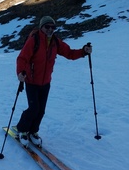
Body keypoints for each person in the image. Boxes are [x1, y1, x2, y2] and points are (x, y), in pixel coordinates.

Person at [16, 15, 92, 147]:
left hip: (45, 82)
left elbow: (69, 53)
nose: (50, 29)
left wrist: (83, 52)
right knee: (34, 108)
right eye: (47, 27)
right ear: (41, 27)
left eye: (53, 27)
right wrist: (20, 72)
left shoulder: (55, 42)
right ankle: (22, 130)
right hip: (32, 81)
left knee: (41, 110)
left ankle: (33, 131)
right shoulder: (34, 40)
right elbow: (22, 58)